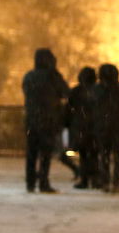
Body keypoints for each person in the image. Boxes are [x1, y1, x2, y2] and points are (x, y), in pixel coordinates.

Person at [22, 48, 72, 193]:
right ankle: (43, 182)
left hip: (31, 119)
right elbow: (66, 93)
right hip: (48, 119)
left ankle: (30, 183)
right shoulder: (53, 76)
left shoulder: (29, 76)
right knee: (45, 153)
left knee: (31, 153)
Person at [91, 63, 119, 194]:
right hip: (118, 126)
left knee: (104, 155)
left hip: (102, 126)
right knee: (118, 156)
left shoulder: (97, 89)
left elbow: (91, 103)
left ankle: (105, 181)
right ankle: (116, 182)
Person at [68, 66, 99, 189]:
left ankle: (84, 180)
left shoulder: (76, 91)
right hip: (95, 126)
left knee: (84, 156)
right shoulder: (98, 90)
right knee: (95, 155)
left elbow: (69, 108)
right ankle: (96, 179)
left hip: (81, 127)